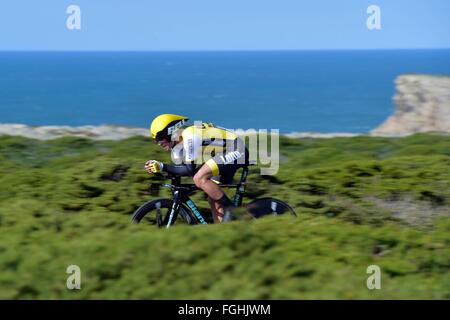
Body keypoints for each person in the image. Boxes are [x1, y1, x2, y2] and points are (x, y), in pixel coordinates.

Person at [144, 114, 248, 223]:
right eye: (156, 140)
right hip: (222, 153)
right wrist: (160, 171)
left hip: (237, 149)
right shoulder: (179, 146)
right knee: (213, 199)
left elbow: (189, 170)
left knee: (199, 178)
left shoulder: (190, 137)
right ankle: (222, 231)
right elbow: (179, 169)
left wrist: (162, 166)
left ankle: (234, 211)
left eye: (160, 138)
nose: (159, 143)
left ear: (171, 132)